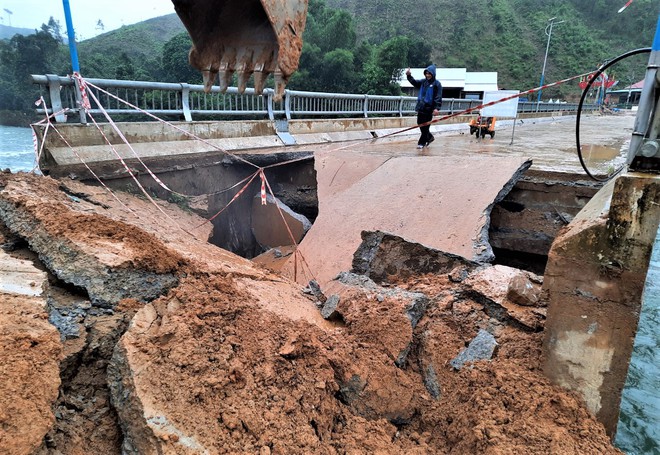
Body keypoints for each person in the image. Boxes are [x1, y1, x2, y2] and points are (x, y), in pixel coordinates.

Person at [406, 65, 443, 149]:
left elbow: (438, 97)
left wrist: (436, 108)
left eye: (429, 73)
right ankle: (429, 137)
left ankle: (421, 143)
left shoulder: (437, 84)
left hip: (429, 108)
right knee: (420, 124)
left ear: (433, 74)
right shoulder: (423, 82)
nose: (428, 75)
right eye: (426, 73)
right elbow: (414, 82)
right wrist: (409, 76)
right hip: (421, 107)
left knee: (426, 126)